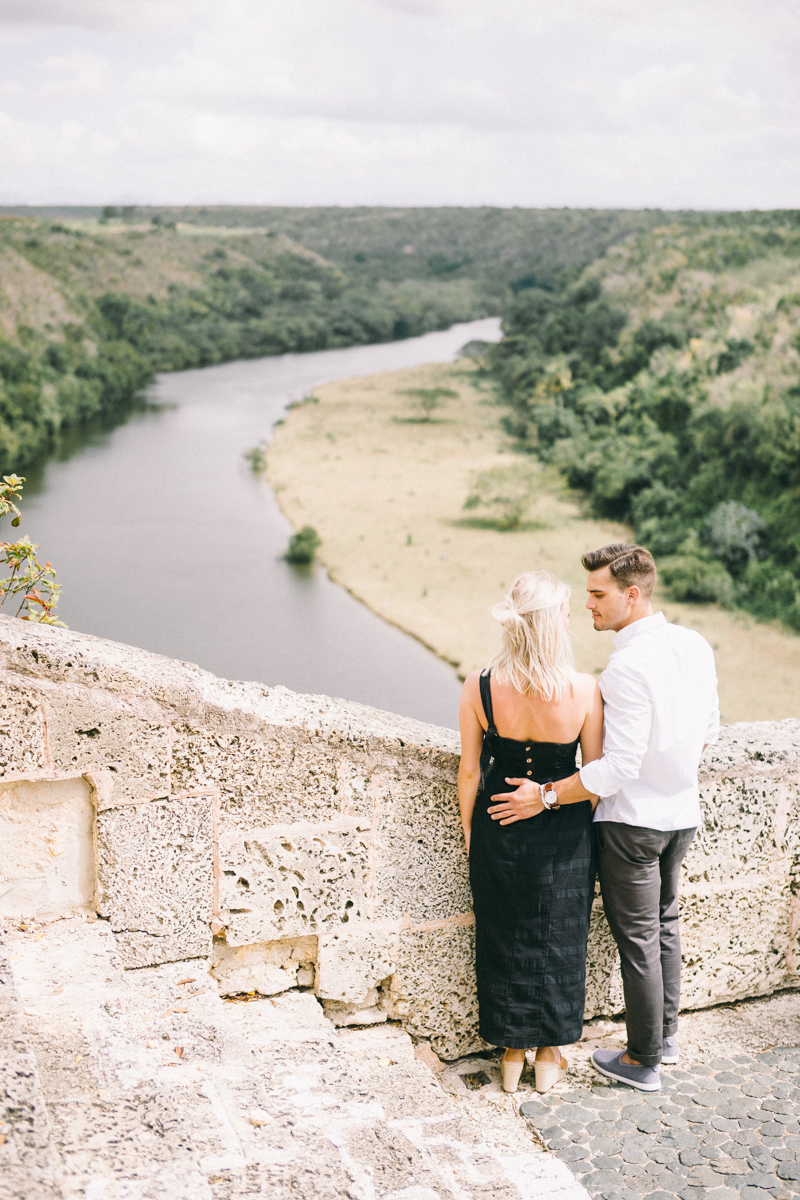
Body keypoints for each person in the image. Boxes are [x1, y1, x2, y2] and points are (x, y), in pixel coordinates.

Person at [489, 544, 719, 1093]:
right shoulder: (693, 643)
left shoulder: (625, 666)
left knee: (639, 938)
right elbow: (709, 730)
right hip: (682, 813)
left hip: (633, 822)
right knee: (663, 926)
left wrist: (543, 796)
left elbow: (614, 768)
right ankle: (664, 1037)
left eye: (597, 594)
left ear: (631, 594)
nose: (588, 604)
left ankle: (642, 1061)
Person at [458, 570, 603, 1094]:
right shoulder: (585, 689)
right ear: (551, 626)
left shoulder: (478, 686)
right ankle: (548, 1058)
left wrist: (472, 833)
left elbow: (470, 771)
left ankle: (511, 1057)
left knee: (503, 938)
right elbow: (594, 779)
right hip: (564, 837)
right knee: (561, 942)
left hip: (497, 827)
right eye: (565, 613)